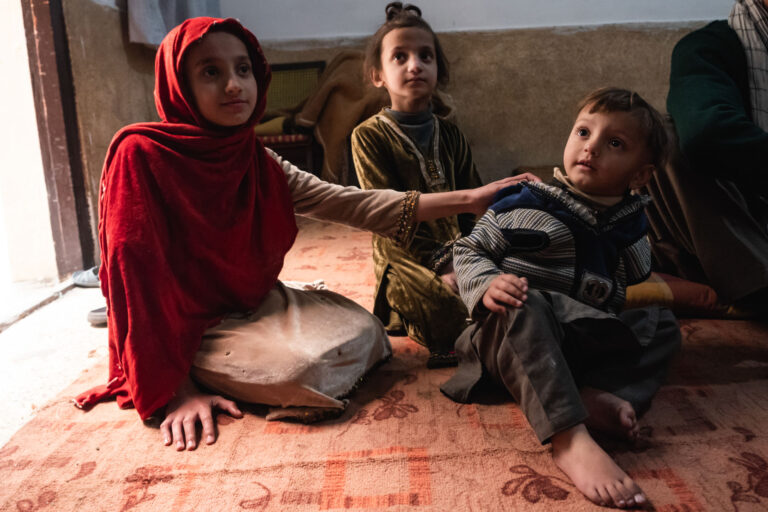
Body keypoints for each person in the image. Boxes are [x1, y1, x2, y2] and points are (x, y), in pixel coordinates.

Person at [73, 17, 532, 452]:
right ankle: (193, 364)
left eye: (243, 69)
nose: (234, 85)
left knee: (370, 333)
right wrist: (178, 389)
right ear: (180, 85)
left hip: (249, 302)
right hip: (179, 323)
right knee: (301, 371)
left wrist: (471, 199)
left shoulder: (255, 159)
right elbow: (138, 277)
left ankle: (259, 347)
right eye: (210, 72)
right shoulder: (143, 155)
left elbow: (353, 203)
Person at [441, 88, 681, 508]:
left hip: (574, 340)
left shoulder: (630, 226)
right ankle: (569, 436)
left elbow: (632, 279)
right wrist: (489, 285)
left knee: (659, 321)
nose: (590, 147)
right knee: (526, 301)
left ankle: (601, 393)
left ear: (640, 176)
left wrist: (630, 222)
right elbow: (468, 250)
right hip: (508, 337)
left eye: (614, 144)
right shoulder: (523, 205)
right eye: (583, 132)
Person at [351, 2, 540, 368]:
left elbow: (478, 203)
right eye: (400, 57)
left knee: (526, 273)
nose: (415, 65)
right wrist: (442, 267)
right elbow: (386, 216)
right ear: (378, 75)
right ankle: (477, 338)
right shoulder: (367, 137)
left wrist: (478, 258)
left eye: (426, 56)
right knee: (443, 303)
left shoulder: (450, 133)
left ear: (439, 68)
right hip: (403, 257)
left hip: (462, 248)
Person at [646, 0, 768, 305]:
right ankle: (758, 284)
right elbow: (706, 135)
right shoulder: (708, 48)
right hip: (741, 223)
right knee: (665, 139)